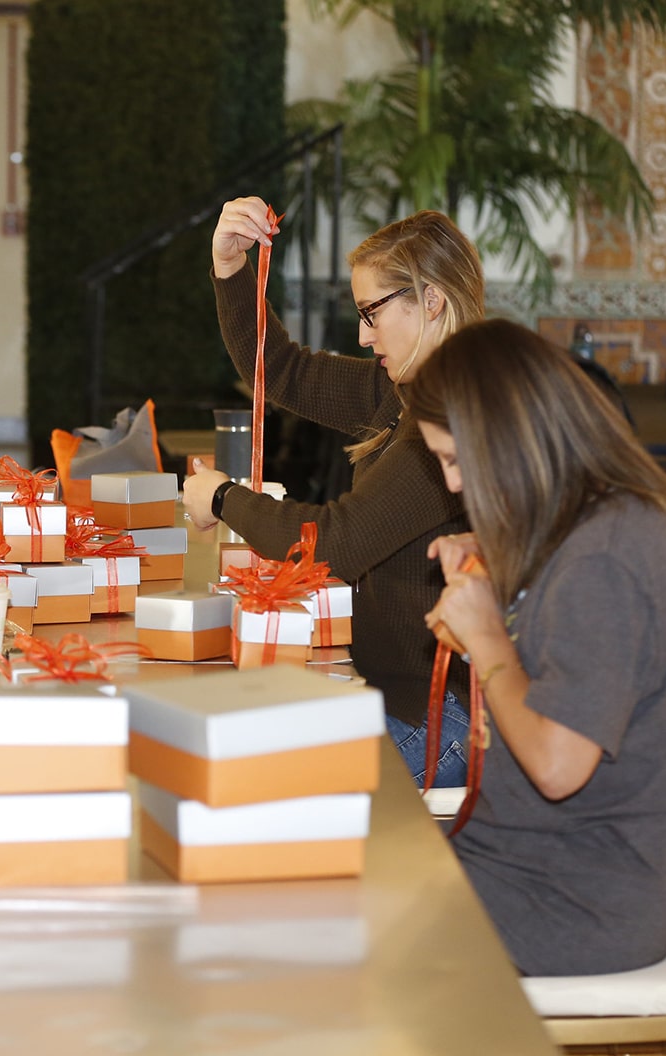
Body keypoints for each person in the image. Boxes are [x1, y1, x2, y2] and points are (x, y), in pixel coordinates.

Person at [408, 318, 666, 976]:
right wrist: (497, 561)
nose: (454, 486)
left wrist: (486, 636)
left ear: (511, 443)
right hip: (533, 861)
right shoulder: (586, 524)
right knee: (335, 874)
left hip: (578, 897)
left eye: (457, 460)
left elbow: (557, 767)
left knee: (331, 920)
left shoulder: (604, 558)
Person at [183, 196, 485, 786]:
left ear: (431, 300)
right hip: (395, 699)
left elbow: (334, 543)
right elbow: (283, 370)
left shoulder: (450, 421)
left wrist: (224, 499)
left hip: (435, 725)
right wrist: (230, 267)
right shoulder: (403, 391)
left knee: (261, 793)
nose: (364, 335)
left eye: (371, 313)